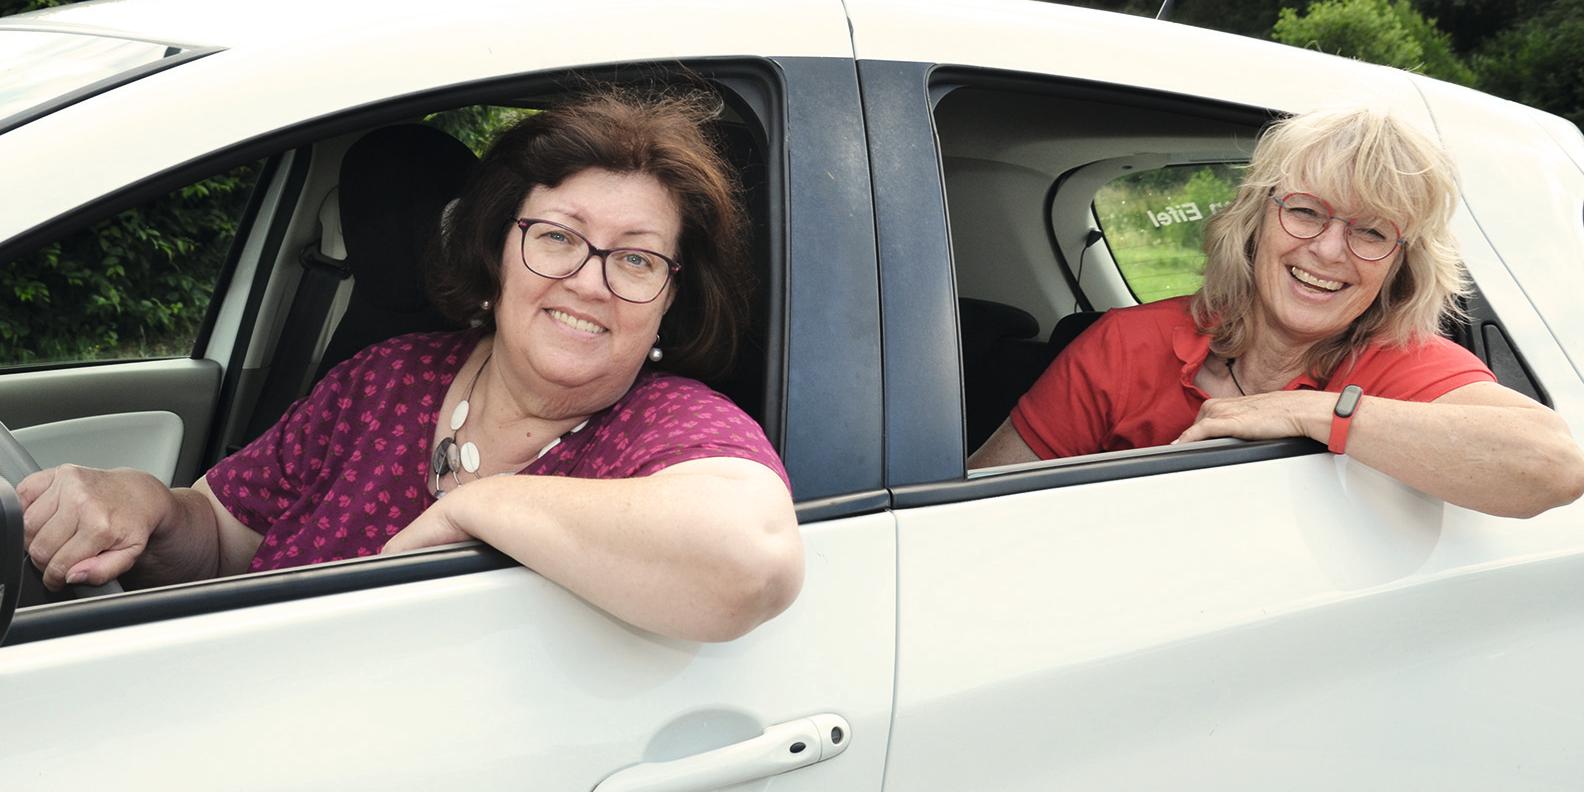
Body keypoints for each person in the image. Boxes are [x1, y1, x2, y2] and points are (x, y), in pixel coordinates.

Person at [18, 89, 803, 642]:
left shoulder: (671, 425)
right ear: (499, 249)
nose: (589, 281)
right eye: (559, 236)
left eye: (635, 259)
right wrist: (145, 503)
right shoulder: (392, 375)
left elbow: (752, 563)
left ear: (669, 297)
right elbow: (226, 537)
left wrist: (477, 505)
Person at [970, 107, 1584, 518]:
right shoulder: (1124, 344)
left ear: (1401, 262)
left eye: (1370, 231)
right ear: (1255, 220)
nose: (1327, 250)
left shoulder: (1399, 361)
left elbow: (1553, 465)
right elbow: (969, 507)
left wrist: (1306, 411)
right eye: (1306, 211)